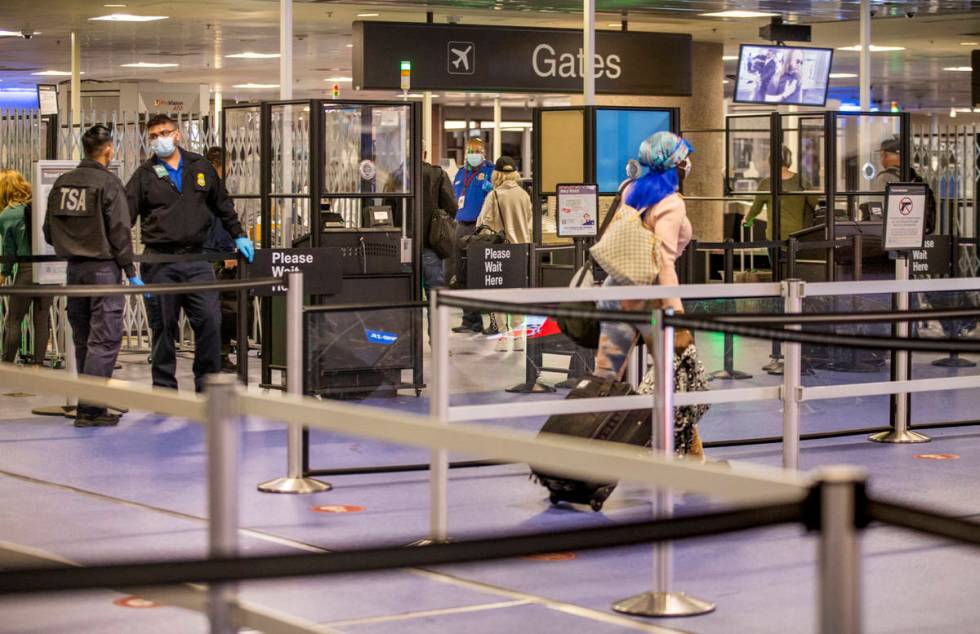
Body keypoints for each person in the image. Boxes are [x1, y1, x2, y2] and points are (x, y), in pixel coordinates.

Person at [593, 131, 706, 458]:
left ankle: (589, 452)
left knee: (606, 375)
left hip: (616, 290)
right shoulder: (671, 203)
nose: (690, 163)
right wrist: (677, 312)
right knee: (678, 375)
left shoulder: (631, 190)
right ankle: (689, 455)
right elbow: (664, 262)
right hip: (652, 299)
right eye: (686, 157)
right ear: (677, 164)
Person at [126, 114, 254, 392]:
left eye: (164, 132)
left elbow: (222, 204)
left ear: (177, 134)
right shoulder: (144, 175)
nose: (159, 139)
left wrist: (239, 235)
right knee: (163, 328)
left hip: (198, 259)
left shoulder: (201, 166)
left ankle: (207, 385)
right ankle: (164, 388)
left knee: (209, 322)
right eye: (153, 136)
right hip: (160, 261)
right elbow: (124, 216)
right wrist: (126, 263)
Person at [43, 125, 141, 427]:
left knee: (83, 337)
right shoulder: (109, 184)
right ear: (109, 150)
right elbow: (120, 232)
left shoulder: (63, 183)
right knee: (105, 339)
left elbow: (49, 231)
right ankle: (91, 409)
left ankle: (88, 403)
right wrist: (130, 269)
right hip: (103, 270)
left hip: (74, 271)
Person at [476, 156, 532, 352]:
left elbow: (484, 225)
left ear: (497, 173)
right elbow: (529, 221)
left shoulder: (494, 195)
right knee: (518, 293)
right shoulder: (524, 195)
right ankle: (518, 337)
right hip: (521, 249)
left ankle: (502, 336)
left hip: (499, 250)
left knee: (497, 293)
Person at [0, 170, 52, 367]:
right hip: (47, 269)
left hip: (26, 270)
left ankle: (6, 363)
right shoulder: (38, 206)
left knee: (14, 319)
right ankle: (38, 364)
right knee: (42, 318)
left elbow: (9, 249)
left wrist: (4, 273)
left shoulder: (7, 214)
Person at [743, 146, 818, 269]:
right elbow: (815, 203)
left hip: (774, 237)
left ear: (771, 161)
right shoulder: (802, 181)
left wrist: (747, 219)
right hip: (798, 236)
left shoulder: (766, 183)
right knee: (795, 272)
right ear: (789, 161)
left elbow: (755, 209)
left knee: (777, 273)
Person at [451, 137, 496, 334]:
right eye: (470, 150)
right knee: (461, 275)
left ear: (483, 152)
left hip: (479, 229)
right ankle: (470, 320)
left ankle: (492, 322)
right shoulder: (461, 173)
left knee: (479, 276)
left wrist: (491, 187)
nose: (473, 154)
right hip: (460, 226)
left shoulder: (490, 172)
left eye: (477, 150)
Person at [203, 146, 240, 372]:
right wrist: (228, 250)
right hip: (215, 256)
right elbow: (220, 223)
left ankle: (216, 355)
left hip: (204, 254)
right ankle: (218, 356)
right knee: (222, 309)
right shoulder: (215, 189)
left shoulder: (196, 187)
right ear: (222, 165)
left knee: (214, 309)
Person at [421, 149, 457, 294]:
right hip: (431, 242)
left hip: (405, 244)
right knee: (435, 290)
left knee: (405, 289)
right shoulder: (438, 174)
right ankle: (436, 318)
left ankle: (410, 317)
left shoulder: (396, 176)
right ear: (424, 153)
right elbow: (452, 207)